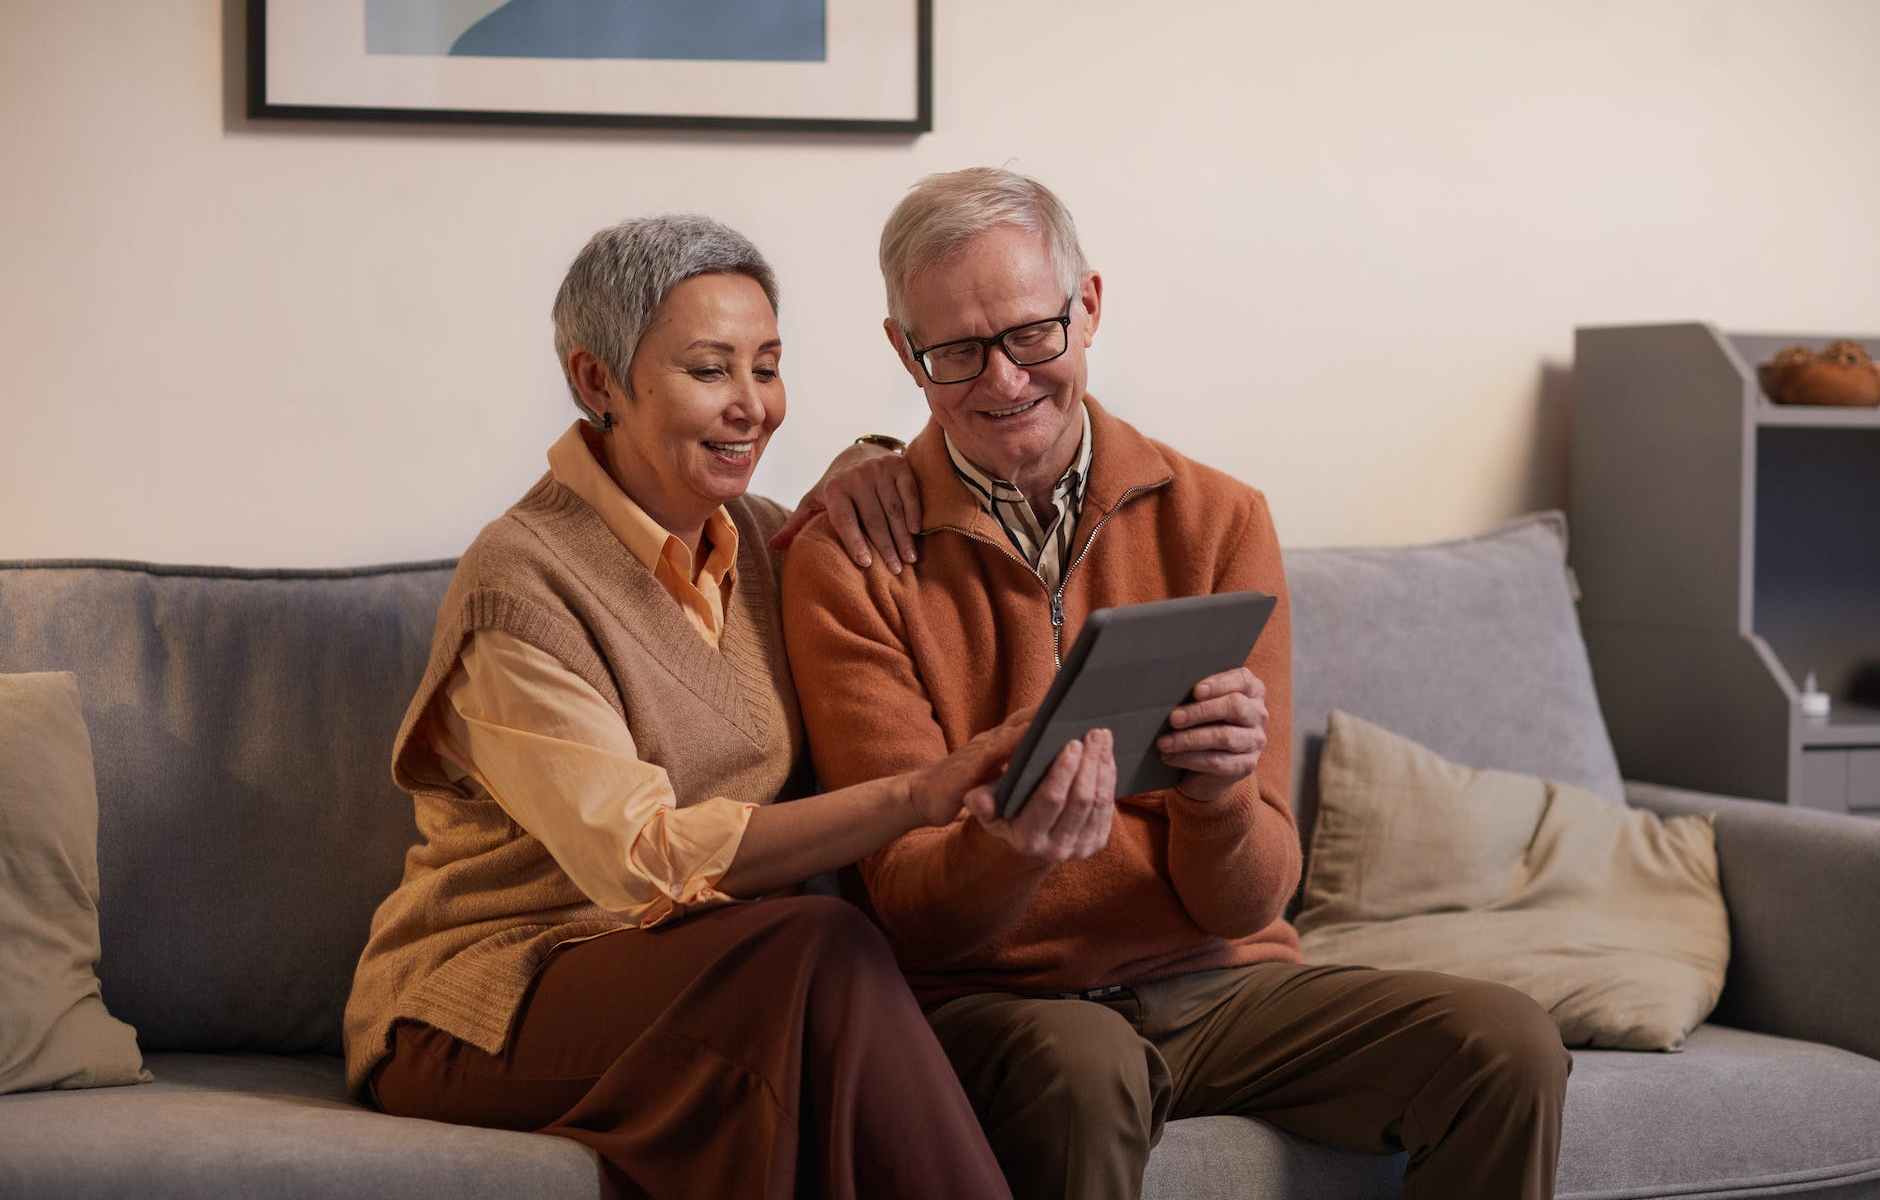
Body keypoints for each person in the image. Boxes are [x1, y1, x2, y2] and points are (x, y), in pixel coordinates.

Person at [780, 168, 1572, 1200]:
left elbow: (1252, 895)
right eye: (955, 353)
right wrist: (1007, 847)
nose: (1003, 381)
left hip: (1215, 987)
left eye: (1031, 335)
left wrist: (1220, 798)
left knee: (1502, 1042)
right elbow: (914, 913)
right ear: (902, 351)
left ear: (1089, 306)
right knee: (1084, 1069)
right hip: (990, 1002)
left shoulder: (1218, 519)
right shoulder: (848, 559)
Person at [342, 213, 1108, 1200]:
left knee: (814, 994)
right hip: (490, 998)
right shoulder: (522, 584)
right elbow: (640, 862)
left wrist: (877, 462)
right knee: (817, 950)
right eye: (710, 371)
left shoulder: (762, 541)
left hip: (732, 976)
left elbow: (874, 500)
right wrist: (920, 795)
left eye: (767, 366)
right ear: (595, 382)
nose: (752, 406)